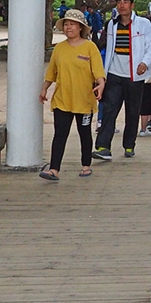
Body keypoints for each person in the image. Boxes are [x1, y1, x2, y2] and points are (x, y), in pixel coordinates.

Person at [39, 9, 106, 180]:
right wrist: (44, 88)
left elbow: (98, 71)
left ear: (80, 27)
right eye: (66, 24)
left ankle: (86, 165)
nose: (69, 27)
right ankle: (54, 169)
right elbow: (52, 72)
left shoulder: (90, 47)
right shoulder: (59, 48)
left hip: (84, 100)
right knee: (60, 134)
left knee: (84, 132)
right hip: (62, 99)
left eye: (72, 24)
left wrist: (101, 84)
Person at [92, 0, 151, 161]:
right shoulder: (112, 25)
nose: (122, 5)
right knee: (109, 109)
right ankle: (103, 146)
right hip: (114, 74)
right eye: (119, 2)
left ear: (132, 5)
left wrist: (144, 62)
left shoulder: (143, 24)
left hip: (135, 75)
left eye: (125, 2)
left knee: (132, 111)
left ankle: (129, 145)